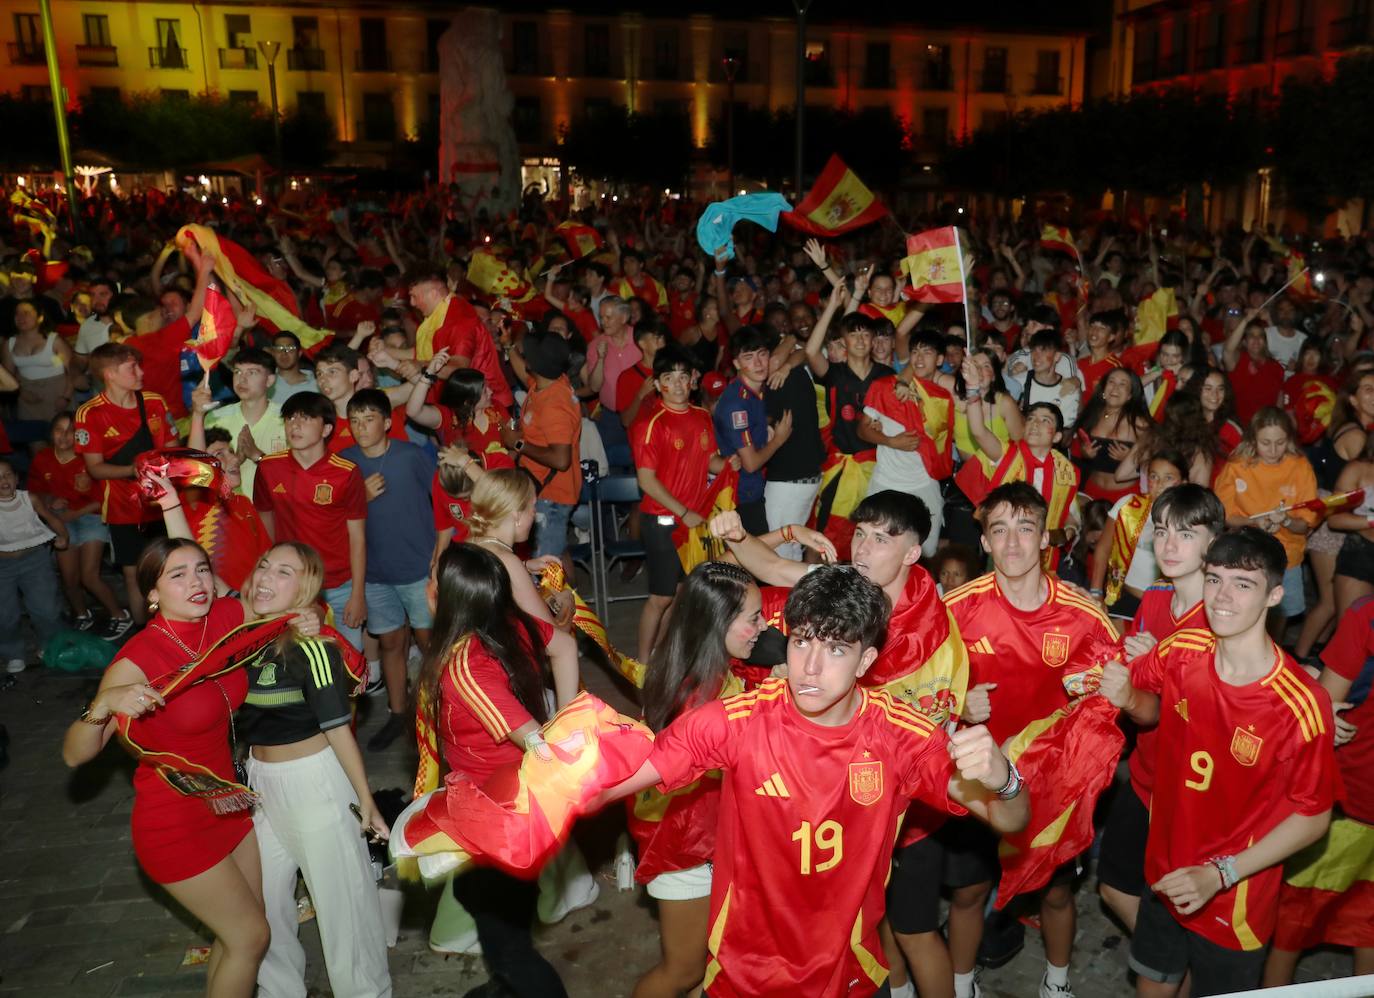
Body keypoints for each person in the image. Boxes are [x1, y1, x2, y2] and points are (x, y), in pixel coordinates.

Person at [599, 565, 1028, 998]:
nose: (812, 667)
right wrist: (555, 766)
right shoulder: (737, 722)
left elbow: (1011, 820)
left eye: (837, 650)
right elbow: (618, 779)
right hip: (746, 972)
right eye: (802, 642)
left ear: (865, 661)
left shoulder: (903, 737)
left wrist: (1004, 778)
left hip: (847, 971)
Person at [1100, 528, 1338, 996]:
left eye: (1242, 584)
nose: (1222, 597)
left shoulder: (1299, 704)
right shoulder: (1183, 648)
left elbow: (1312, 817)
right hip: (1164, 874)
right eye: (1214, 579)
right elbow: (1138, 691)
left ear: (1274, 595)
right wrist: (1124, 691)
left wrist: (1221, 873)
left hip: (1234, 901)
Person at [61, 538, 280, 998]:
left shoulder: (222, 618)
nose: (196, 582)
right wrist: (101, 705)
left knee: (241, 934)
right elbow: (74, 755)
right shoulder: (138, 659)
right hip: (175, 822)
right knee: (250, 937)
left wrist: (311, 615)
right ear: (152, 593)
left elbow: (279, 606)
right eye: (177, 575)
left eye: (201, 569)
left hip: (227, 804)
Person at [942, 481, 1124, 998]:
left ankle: (1057, 984)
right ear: (984, 542)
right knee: (969, 892)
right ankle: (961, 987)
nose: (1014, 544)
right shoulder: (955, 608)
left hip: (1051, 783)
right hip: (976, 781)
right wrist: (958, 704)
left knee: (1058, 894)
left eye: (1026, 529)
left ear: (1047, 538)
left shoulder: (1083, 615)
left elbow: (1107, 703)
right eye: (999, 530)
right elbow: (919, 691)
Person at [416, 542, 579, 998]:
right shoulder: (511, 624)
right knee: (489, 905)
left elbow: (535, 743)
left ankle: (522, 986)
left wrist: (556, 740)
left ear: (448, 596)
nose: (427, 582)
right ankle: (507, 989)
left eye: (433, 575)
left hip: (498, 817)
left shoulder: (465, 666)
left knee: (508, 945)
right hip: (505, 809)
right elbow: (564, 646)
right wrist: (564, 716)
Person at [235, 542, 392, 998]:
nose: (266, 576)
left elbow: (340, 727)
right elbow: (195, 578)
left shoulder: (314, 646)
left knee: (344, 906)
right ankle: (279, 990)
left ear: (304, 591)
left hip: (315, 783)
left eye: (284, 572)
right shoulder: (241, 639)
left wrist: (365, 800)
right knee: (260, 902)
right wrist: (169, 501)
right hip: (260, 787)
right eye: (264, 565)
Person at [632, 561, 767, 998]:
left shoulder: (700, 667)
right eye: (753, 619)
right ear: (718, 622)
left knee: (709, 965)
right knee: (683, 971)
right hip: (686, 848)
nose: (762, 627)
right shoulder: (697, 700)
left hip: (703, 840)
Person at [1096, 484, 1226, 933]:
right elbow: (1136, 694)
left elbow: (1212, 712)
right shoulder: (1153, 597)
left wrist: (1156, 665)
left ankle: (1169, 968)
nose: (1170, 545)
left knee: (1177, 899)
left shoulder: (1222, 617)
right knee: (1114, 887)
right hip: (1147, 772)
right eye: (1162, 531)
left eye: (1186, 533)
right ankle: (1163, 964)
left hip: (1192, 786)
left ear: (1213, 541)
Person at [1265, 592, 1374, 985]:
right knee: (1369, 925)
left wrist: (1309, 689)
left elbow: (1323, 710)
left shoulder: (1367, 614)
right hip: (1355, 800)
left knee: (1292, 924)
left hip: (1349, 798)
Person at [341, 389, 436, 751]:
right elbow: (333, 515)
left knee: (431, 644)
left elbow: (442, 499)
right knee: (390, 642)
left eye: (369, 419)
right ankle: (399, 713)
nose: (361, 427)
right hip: (375, 571)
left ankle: (441, 709)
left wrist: (441, 553)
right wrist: (358, 498)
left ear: (386, 422)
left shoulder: (411, 456)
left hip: (417, 566)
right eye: (354, 420)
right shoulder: (345, 463)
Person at [632, 345, 733, 661]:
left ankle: (661, 656)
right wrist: (684, 512)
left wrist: (728, 465)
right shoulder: (651, 423)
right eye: (668, 378)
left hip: (693, 520)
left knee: (679, 595)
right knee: (660, 597)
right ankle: (643, 664)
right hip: (664, 520)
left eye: (682, 377)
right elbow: (646, 480)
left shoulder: (702, 416)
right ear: (658, 383)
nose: (676, 384)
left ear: (693, 380)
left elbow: (708, 461)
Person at [76, 341, 180, 635]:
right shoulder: (90, 413)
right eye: (132, 367)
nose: (141, 372)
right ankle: (141, 633)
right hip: (123, 508)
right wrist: (132, 470)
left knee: (169, 570)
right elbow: (94, 467)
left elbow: (172, 448)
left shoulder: (154, 402)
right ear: (109, 373)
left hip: (162, 502)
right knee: (134, 575)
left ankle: (173, 630)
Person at [253, 391, 368, 651]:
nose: (295, 425)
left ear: (326, 428)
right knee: (298, 660)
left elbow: (358, 537)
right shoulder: (269, 468)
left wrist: (358, 594)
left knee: (349, 661)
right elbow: (264, 529)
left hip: (339, 584)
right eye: (290, 418)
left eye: (305, 418)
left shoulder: (346, 472)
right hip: (290, 584)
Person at [1214, 407, 1319, 639]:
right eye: (1265, 443)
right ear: (1253, 439)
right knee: (1242, 608)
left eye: (1280, 442)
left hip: (1287, 557)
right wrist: (1257, 523)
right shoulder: (1237, 467)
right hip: (1245, 553)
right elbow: (1226, 517)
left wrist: (1287, 520)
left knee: (1280, 611)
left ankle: (1274, 650)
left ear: (1289, 440)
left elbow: (1306, 524)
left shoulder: (1300, 467)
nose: (1273, 450)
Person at [27, 411, 120, 630]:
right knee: (69, 578)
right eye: (59, 430)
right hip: (62, 521)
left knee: (89, 576)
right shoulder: (43, 458)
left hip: (91, 517)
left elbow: (103, 500)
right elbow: (35, 491)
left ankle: (119, 614)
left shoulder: (89, 459)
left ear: (81, 436)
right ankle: (81, 614)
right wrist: (50, 500)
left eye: (72, 431)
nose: (65, 436)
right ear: (51, 434)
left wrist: (73, 514)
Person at [712, 326, 793, 536]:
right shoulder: (737, 405)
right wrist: (778, 439)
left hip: (754, 487)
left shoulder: (754, 390)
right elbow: (750, 464)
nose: (758, 363)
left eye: (762, 354)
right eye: (748, 357)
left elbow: (799, 347)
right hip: (741, 495)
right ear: (737, 363)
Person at [1089, 450, 1188, 621]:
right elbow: (1103, 549)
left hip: (1168, 604)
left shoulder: (1190, 520)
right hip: (1123, 597)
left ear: (1184, 483)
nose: (1160, 484)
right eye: (1154, 476)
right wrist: (1096, 592)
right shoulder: (1128, 506)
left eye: (1168, 478)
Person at [0, 456, 67, 672]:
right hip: (3, 566)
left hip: (34, 560)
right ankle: (12, 652)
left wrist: (63, 535)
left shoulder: (29, 498)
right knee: (5, 613)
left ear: (17, 478)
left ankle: (50, 645)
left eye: (7, 474)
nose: (3, 480)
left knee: (46, 607)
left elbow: (51, 517)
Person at [202, 348, 287, 501]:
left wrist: (257, 456)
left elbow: (297, 474)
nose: (242, 379)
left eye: (252, 372)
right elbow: (201, 471)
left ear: (269, 380)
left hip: (277, 512)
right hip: (229, 512)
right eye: (237, 372)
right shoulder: (214, 418)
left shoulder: (288, 419)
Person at [1, 299, 74, 425]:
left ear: (40, 317)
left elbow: (72, 371)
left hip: (58, 393)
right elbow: (8, 376)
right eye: (17, 313)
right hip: (28, 395)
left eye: (26, 313)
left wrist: (66, 398)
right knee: (34, 439)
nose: (20, 317)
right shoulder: (9, 344)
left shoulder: (54, 340)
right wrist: (22, 394)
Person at [267, 332, 318, 405]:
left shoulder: (317, 384)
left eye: (290, 348)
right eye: (279, 348)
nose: (284, 353)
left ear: (299, 353)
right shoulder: (265, 382)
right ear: (272, 353)